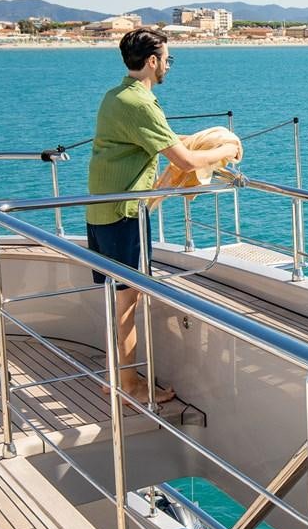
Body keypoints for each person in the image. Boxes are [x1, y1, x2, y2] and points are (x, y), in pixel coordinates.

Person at [86, 28, 241, 402]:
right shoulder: (140, 103)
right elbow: (184, 160)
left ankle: (116, 376)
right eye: (167, 59)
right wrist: (226, 150)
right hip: (124, 214)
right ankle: (130, 386)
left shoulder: (116, 96)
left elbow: (156, 139)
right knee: (128, 302)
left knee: (116, 298)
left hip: (100, 210)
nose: (168, 65)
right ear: (153, 61)